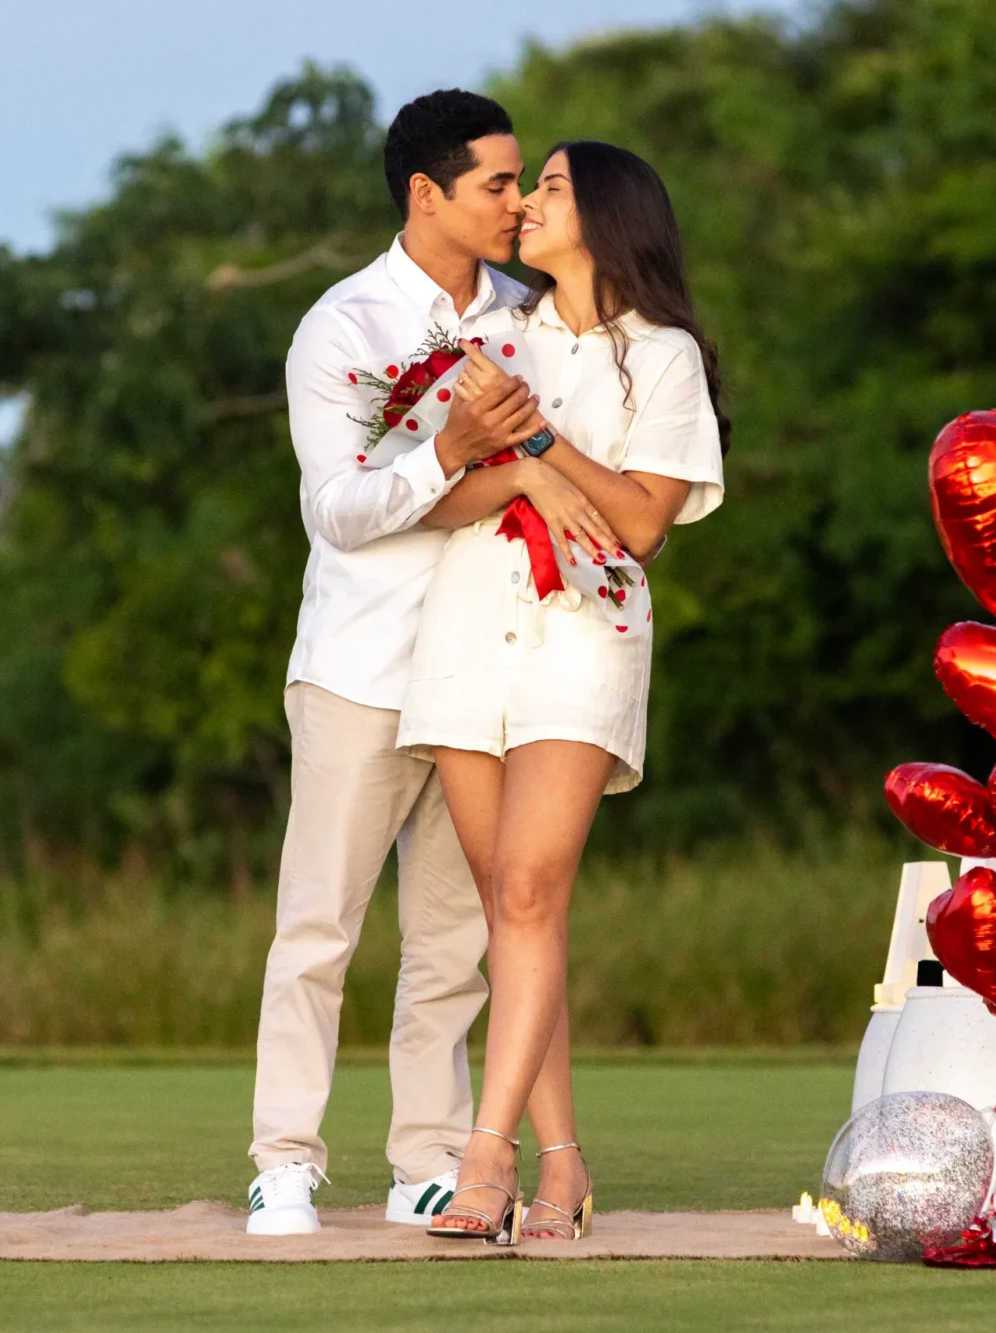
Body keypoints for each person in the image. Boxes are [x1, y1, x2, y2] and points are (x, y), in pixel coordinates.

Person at [397, 141, 727, 1243]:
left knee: (531, 895)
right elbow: (427, 497)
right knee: (509, 913)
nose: (525, 204)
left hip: (585, 637)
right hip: (463, 632)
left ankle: (483, 1162)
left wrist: (538, 438)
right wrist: (511, 465)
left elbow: (639, 523)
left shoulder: (666, 359)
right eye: (524, 186)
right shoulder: (484, 338)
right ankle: (565, 1165)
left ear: (609, 212)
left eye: (547, 186)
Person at [246, 89, 551, 1235]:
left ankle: (426, 1159)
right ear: (426, 194)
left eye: (522, 183)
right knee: (318, 927)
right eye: (497, 185)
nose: (517, 203)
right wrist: (450, 454)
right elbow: (339, 511)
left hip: (487, 669)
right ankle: (283, 1159)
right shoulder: (343, 326)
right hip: (361, 669)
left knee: (455, 941)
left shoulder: (535, 314)